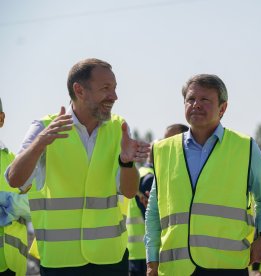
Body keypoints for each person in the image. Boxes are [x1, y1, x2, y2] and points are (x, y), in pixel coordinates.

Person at [6, 58, 150, 275]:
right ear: (79, 90)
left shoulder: (118, 128)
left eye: (114, 88)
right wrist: (40, 144)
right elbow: (14, 179)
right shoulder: (43, 128)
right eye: (106, 88)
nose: (114, 96)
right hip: (60, 262)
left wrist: (127, 162)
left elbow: (129, 191)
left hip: (110, 259)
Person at [144, 74, 261, 276]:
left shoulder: (245, 147)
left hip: (226, 266)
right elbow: (154, 211)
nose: (196, 105)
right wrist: (151, 259)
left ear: (223, 108)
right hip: (174, 269)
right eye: (191, 99)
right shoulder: (163, 150)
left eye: (205, 100)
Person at [127, 123, 188, 276]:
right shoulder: (150, 178)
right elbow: (156, 219)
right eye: (163, 141)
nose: (166, 145)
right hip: (148, 255)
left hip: (142, 253)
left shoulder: (146, 173)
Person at [0, 97, 30, 276]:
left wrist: (8, 204)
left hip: (13, 264)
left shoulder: (15, 163)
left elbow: (34, 204)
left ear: (1, 118)